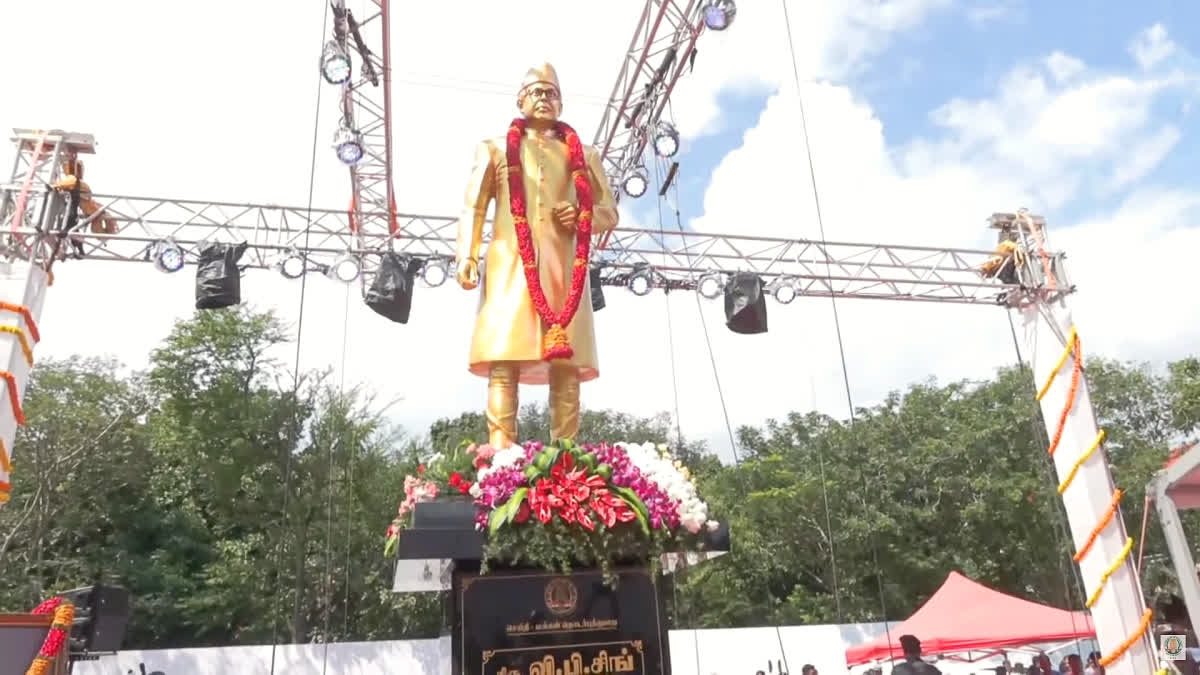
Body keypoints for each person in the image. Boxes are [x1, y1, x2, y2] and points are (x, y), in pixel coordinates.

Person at [454, 62, 619, 449]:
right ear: (521, 99)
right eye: (538, 92)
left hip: (565, 268)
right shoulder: (494, 148)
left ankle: (566, 459)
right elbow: (473, 206)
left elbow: (609, 211)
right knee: (503, 360)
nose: (545, 99)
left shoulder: (585, 155)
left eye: (552, 93)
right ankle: (500, 458)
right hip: (510, 266)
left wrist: (583, 215)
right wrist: (467, 254)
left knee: (567, 367)